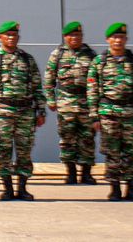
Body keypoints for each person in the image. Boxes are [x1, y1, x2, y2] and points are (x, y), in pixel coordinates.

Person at [0, 21, 46, 201]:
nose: (11, 38)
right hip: (1, 111)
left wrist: (41, 111)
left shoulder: (27, 59)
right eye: (7, 35)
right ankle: (7, 189)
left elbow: (37, 86)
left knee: (24, 151)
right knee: (4, 151)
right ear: (0, 38)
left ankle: (22, 188)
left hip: (25, 111)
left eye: (14, 35)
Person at [86, 23, 133, 201]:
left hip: (131, 112)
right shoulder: (99, 62)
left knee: (131, 152)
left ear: (126, 39)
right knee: (112, 152)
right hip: (109, 112)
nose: (118, 40)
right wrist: (94, 116)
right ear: (108, 40)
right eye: (114, 37)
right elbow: (92, 90)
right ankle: (114, 188)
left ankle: (131, 189)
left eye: (121, 37)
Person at [44, 21, 97, 184]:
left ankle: (86, 173)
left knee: (87, 138)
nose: (75, 38)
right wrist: (50, 99)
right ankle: (71, 173)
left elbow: (97, 80)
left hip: (86, 102)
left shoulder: (90, 55)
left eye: (78, 35)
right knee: (67, 138)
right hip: (65, 102)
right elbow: (49, 79)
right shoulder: (57, 54)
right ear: (66, 37)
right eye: (72, 35)